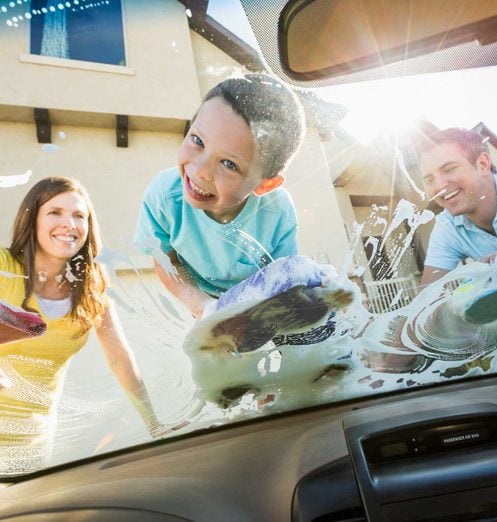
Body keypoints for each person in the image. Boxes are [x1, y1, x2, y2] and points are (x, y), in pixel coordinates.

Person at [0, 176, 169, 475]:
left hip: (32, 445)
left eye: (80, 216)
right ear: (32, 218)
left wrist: (154, 424)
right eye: (55, 212)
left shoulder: (90, 287)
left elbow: (120, 359)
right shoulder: (3, 266)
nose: (69, 223)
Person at [133, 73, 306, 319]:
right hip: (200, 294)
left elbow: (281, 278)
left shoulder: (276, 212)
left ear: (265, 184)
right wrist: (203, 307)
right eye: (197, 140)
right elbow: (165, 260)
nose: (200, 171)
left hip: (258, 300)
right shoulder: (165, 196)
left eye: (228, 164)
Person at [419, 128, 497, 285]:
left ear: (483, 164)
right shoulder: (447, 226)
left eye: (449, 169)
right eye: (429, 180)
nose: (439, 186)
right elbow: (428, 296)